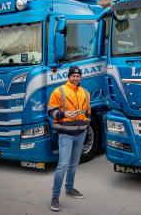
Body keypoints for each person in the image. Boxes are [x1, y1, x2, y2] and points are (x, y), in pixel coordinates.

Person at [48, 66, 91, 212]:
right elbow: (51, 111)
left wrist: (87, 121)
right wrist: (65, 114)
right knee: (63, 165)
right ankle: (54, 197)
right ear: (69, 77)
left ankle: (70, 188)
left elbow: (88, 111)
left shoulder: (85, 92)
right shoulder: (59, 91)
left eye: (78, 76)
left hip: (81, 134)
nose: (76, 78)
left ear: (81, 78)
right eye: (73, 76)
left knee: (74, 164)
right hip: (65, 134)